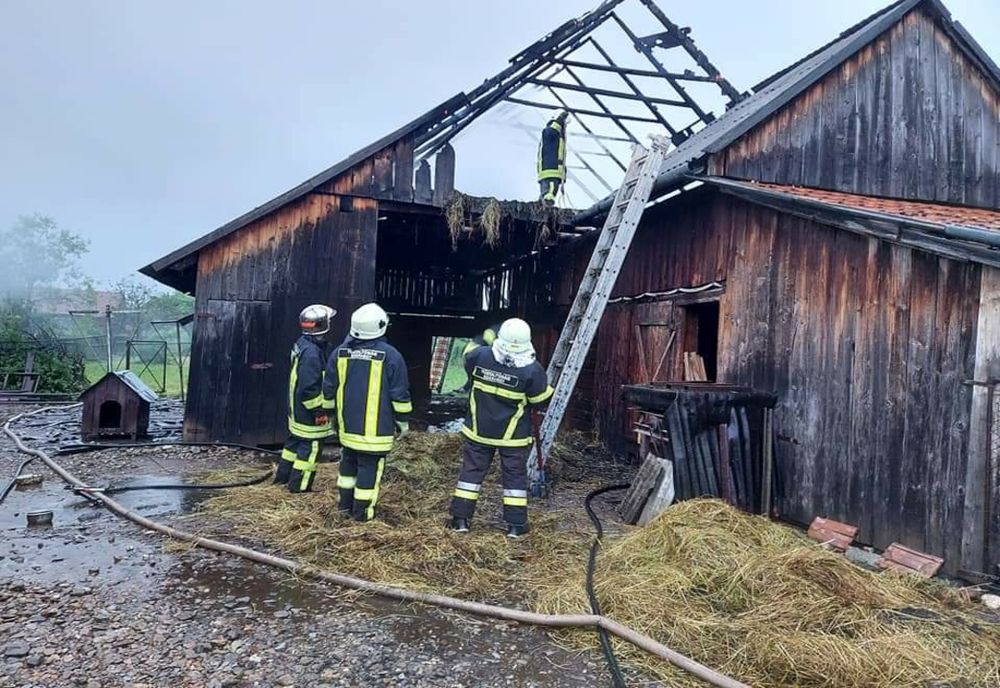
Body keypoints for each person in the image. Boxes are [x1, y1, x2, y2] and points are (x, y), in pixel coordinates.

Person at [448, 318, 554, 537]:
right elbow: (540, 401)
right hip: (512, 436)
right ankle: (516, 525)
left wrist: (485, 336)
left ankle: (460, 520)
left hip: (478, 431)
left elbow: (468, 355)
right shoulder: (533, 370)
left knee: (471, 473)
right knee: (514, 478)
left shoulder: (480, 356)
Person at [323, 303, 411, 522]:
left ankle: (344, 508)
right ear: (381, 326)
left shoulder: (340, 353)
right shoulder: (391, 356)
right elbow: (400, 394)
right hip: (375, 433)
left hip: (346, 428)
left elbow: (328, 389)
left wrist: (332, 416)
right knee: (369, 471)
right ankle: (362, 515)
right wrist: (403, 422)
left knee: (347, 466)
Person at [275, 304, 336, 494]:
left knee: (293, 444)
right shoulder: (312, 353)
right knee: (310, 450)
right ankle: (300, 488)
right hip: (309, 413)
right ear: (323, 325)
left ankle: (283, 478)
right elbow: (309, 388)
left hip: (297, 409)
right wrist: (319, 411)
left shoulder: (302, 343)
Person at [537, 110, 568, 207]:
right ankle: (547, 201)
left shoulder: (555, 137)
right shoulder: (550, 132)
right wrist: (560, 120)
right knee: (550, 192)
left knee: (548, 190)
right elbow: (551, 131)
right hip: (552, 169)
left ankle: (542, 203)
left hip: (549, 170)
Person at [459, 323, 501, 393]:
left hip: (469, 353)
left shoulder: (496, 328)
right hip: (473, 353)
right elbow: (487, 337)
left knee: (474, 375)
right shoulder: (496, 329)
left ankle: (466, 388)